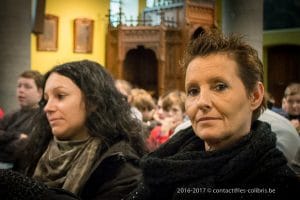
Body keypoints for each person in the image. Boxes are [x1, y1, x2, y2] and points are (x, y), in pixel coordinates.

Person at [126, 30, 299, 199]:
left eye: (220, 87)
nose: (202, 102)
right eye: (193, 91)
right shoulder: (163, 165)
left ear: (254, 96)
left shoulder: (279, 183)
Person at [2, 60, 146, 199]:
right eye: (46, 99)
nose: (47, 108)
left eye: (60, 96)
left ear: (93, 101)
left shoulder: (119, 166)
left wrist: (32, 191)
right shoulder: (35, 149)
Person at [0, 70, 43, 170]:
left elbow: (26, 146)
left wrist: (4, 139)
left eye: (27, 87)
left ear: (40, 92)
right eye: (19, 86)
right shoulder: (11, 115)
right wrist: (17, 136)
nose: (21, 90)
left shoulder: (43, 118)